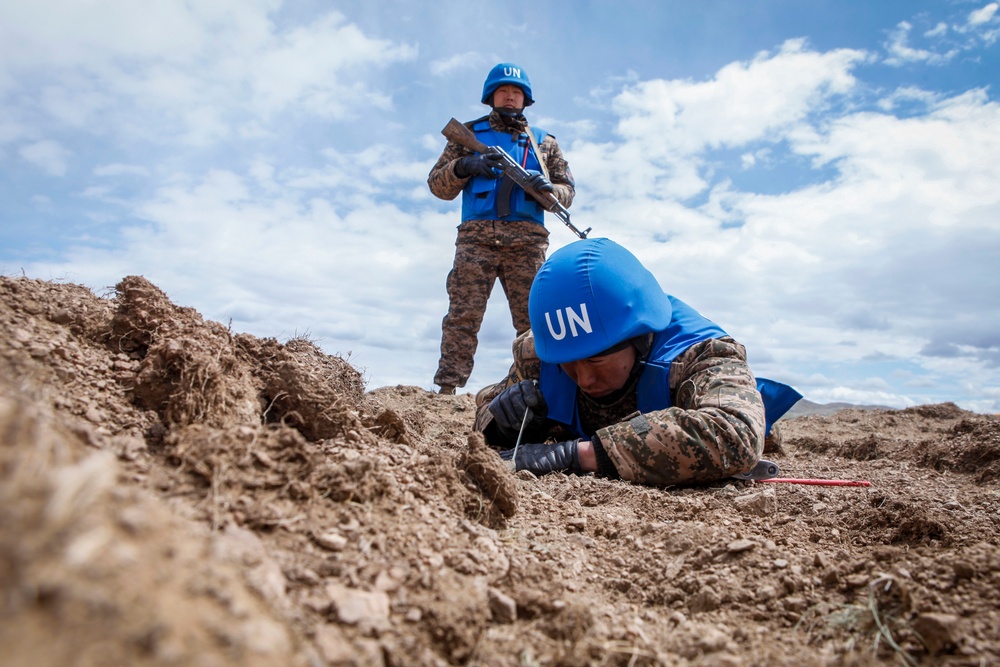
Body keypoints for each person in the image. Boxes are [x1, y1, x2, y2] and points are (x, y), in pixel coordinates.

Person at [474, 238, 802, 486]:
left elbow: (734, 434)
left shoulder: (701, 353)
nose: (584, 379)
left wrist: (576, 455)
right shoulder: (543, 350)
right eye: (569, 365)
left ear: (639, 337)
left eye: (596, 359)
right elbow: (485, 413)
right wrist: (500, 423)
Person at [428, 63, 576, 395]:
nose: (510, 98)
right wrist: (465, 165)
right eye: (503, 92)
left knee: (534, 321)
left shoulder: (543, 143)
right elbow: (438, 185)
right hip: (475, 240)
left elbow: (568, 193)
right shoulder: (469, 134)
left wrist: (548, 189)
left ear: (525, 100)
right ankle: (448, 388)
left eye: (516, 93)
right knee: (462, 316)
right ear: (491, 96)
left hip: (527, 243)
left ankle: (539, 388)